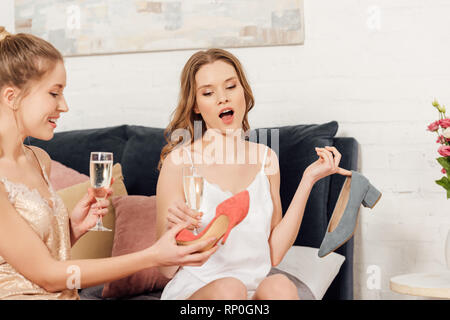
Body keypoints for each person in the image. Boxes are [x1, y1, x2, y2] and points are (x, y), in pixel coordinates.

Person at [0, 27, 217, 300]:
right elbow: (48, 276)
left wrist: (72, 230)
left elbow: (35, 254)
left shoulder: (39, 159)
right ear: (12, 97)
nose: (64, 105)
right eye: (54, 93)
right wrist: (152, 255)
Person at [156, 48, 352, 300]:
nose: (222, 99)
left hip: (253, 290)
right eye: (208, 92)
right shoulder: (179, 162)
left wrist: (308, 180)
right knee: (230, 289)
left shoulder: (266, 158)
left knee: (279, 286)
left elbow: (274, 254)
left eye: (230, 87)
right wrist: (176, 228)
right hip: (199, 292)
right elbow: (165, 269)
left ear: (244, 92)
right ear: (195, 105)